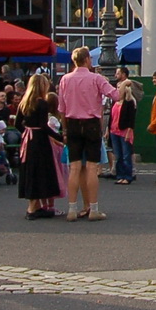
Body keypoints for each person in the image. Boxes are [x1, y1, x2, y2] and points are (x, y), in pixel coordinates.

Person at [58, 46, 116, 221]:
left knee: (74, 167)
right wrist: (126, 85)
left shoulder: (65, 79)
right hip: (91, 124)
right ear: (86, 59)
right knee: (92, 167)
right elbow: (115, 95)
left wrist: (65, 129)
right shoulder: (96, 78)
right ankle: (93, 209)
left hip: (72, 123)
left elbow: (62, 108)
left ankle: (72, 209)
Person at [15, 74, 61, 218]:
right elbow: (43, 126)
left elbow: (17, 123)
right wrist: (60, 138)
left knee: (30, 170)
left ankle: (35, 205)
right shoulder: (42, 104)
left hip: (28, 140)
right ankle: (32, 209)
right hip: (40, 141)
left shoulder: (24, 102)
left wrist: (26, 132)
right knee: (41, 171)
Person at [109, 81, 138, 184]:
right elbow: (111, 117)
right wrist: (108, 130)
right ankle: (120, 175)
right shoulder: (115, 102)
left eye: (120, 88)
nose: (118, 90)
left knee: (126, 155)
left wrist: (129, 132)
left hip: (124, 131)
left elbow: (131, 119)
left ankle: (127, 176)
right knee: (118, 155)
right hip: (114, 131)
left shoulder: (129, 102)